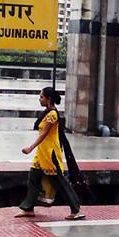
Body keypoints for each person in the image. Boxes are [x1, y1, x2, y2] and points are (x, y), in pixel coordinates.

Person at [16, 87, 84, 220]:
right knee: (33, 178)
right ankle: (28, 208)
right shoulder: (46, 112)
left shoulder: (52, 114)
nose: (39, 99)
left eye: (41, 97)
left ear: (49, 99)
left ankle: (76, 210)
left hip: (50, 154)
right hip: (41, 153)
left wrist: (30, 147)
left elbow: (44, 134)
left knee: (59, 182)